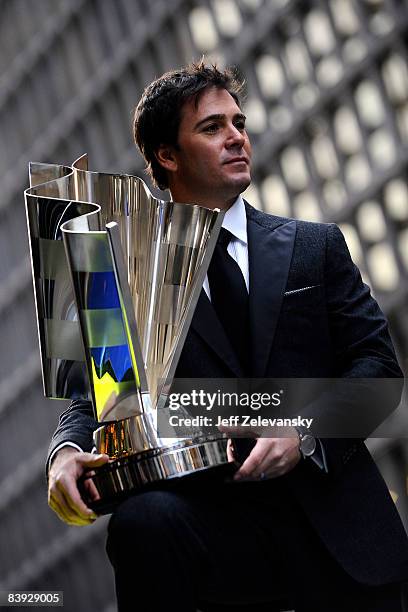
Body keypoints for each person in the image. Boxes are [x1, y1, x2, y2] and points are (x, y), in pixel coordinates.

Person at [47, 61, 408, 611]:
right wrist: (66, 453)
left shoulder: (315, 246)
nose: (237, 136)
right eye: (212, 128)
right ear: (167, 156)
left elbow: (378, 372)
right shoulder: (124, 276)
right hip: (212, 530)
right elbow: (95, 394)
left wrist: (302, 431)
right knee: (141, 523)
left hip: (338, 530)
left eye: (239, 123)